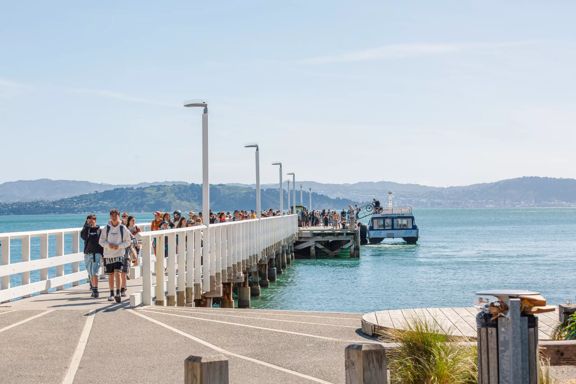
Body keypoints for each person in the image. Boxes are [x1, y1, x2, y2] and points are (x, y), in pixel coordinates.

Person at [99, 209, 132, 303]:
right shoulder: (106, 228)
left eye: (116, 215)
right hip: (108, 255)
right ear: (110, 216)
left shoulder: (123, 228)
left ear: (118, 216)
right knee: (110, 275)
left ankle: (118, 293)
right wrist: (108, 245)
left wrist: (119, 246)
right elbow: (101, 241)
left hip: (119, 254)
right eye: (112, 215)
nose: (114, 217)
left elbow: (128, 241)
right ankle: (111, 293)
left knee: (118, 273)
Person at [81, 214, 103, 298]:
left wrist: (103, 255)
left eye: (93, 219)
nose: (91, 221)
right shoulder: (86, 230)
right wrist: (86, 226)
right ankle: (93, 289)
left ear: (95, 220)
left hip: (96, 254)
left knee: (94, 273)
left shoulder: (99, 230)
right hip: (87, 254)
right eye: (89, 219)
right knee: (90, 273)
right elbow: (83, 237)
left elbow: (102, 244)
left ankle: (96, 290)